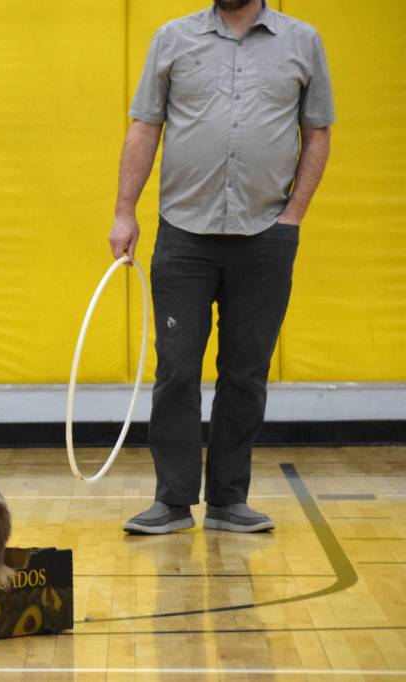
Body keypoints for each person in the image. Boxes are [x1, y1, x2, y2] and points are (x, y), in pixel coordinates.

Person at [109, 0, 333, 534]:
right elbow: (145, 126)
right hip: (184, 232)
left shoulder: (303, 41)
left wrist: (293, 217)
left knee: (246, 373)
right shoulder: (172, 37)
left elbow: (317, 131)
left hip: (266, 235)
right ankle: (173, 501)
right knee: (177, 369)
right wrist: (124, 212)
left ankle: (230, 501)